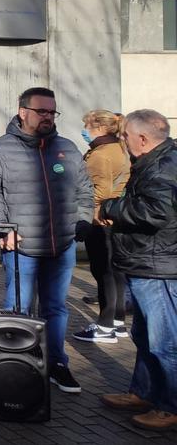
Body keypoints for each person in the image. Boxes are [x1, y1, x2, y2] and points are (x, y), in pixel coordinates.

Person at [0, 87, 92, 394]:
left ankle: (57, 365)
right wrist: (1, 229)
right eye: (42, 112)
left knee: (55, 308)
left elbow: (84, 190)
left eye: (52, 112)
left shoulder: (66, 148)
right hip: (21, 247)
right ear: (23, 111)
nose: (48, 118)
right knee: (18, 308)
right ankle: (19, 367)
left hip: (61, 245)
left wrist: (82, 220)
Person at [99, 109, 177, 432]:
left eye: (125, 136)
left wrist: (111, 208)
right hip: (146, 262)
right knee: (144, 335)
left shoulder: (163, 166)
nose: (123, 142)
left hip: (159, 267)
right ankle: (143, 392)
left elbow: (155, 211)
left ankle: (170, 406)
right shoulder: (156, 160)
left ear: (142, 139)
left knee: (165, 342)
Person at [73, 109, 131, 344]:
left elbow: (100, 190)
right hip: (117, 219)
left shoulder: (101, 154)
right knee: (115, 272)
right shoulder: (119, 148)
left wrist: (87, 213)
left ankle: (105, 326)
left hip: (100, 220)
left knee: (103, 271)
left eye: (87, 125)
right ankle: (117, 322)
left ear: (98, 127)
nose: (85, 130)